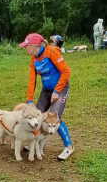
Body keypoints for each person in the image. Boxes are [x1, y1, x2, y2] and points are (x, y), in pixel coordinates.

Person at [19, 33, 74, 161]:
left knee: (56, 117)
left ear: (33, 46)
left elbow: (66, 71)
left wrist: (57, 91)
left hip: (60, 89)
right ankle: (36, 142)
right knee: (38, 118)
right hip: (46, 90)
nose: (25, 49)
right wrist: (29, 100)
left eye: (26, 46)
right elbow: (32, 81)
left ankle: (69, 147)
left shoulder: (51, 52)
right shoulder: (33, 60)